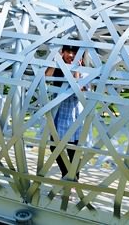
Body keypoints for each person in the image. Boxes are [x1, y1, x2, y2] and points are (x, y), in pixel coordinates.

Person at [46, 44, 84, 180]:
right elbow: (47, 76)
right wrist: (57, 60)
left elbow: (80, 91)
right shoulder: (59, 69)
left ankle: (74, 179)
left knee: (73, 149)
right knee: (55, 146)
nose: (71, 55)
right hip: (60, 113)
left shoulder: (85, 70)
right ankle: (66, 175)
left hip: (74, 114)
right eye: (68, 52)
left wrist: (77, 71)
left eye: (74, 53)